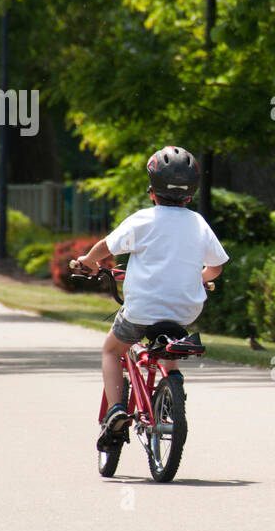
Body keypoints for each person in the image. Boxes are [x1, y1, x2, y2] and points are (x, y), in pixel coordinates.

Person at [75, 146, 229, 439]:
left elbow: (107, 246)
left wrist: (88, 261)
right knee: (168, 342)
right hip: (185, 309)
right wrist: (201, 277)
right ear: (191, 195)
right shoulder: (198, 223)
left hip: (142, 310)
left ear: (152, 192)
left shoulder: (143, 220)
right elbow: (216, 267)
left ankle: (116, 410)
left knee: (111, 349)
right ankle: (172, 388)